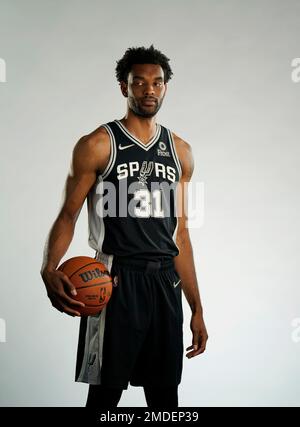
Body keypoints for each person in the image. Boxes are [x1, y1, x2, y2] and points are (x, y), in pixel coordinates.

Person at [40, 45, 208, 408]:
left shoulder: (180, 152)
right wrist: (48, 267)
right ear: (124, 87)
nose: (150, 90)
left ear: (165, 88)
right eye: (140, 82)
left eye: (158, 83)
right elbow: (68, 214)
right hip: (115, 280)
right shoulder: (98, 144)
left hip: (165, 282)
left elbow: (181, 234)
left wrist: (197, 308)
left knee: (165, 399)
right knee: (104, 397)